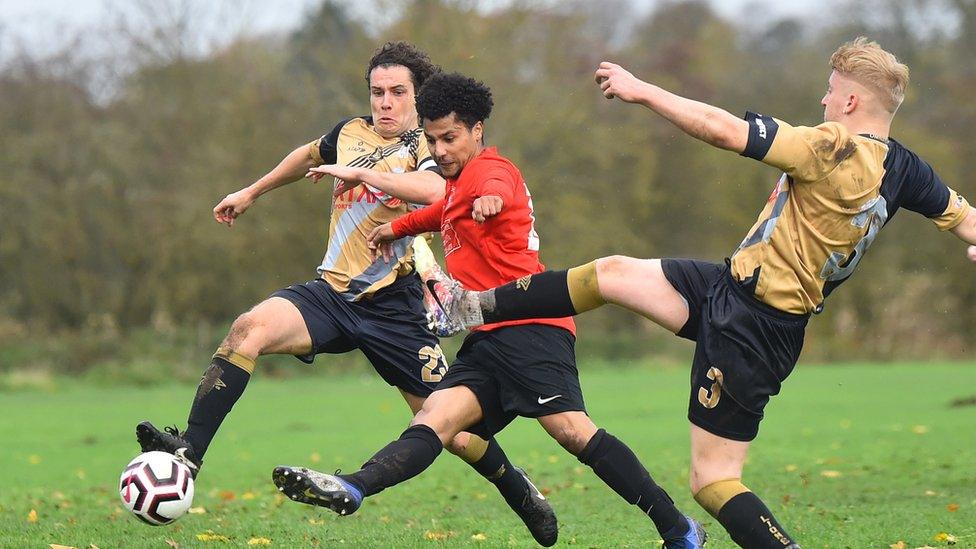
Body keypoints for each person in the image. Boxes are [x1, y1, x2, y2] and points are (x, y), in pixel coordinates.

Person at [430, 37, 976, 548]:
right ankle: (475, 306)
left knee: (712, 480)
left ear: (852, 99)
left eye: (831, 90)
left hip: (755, 327)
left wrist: (643, 91)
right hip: (730, 287)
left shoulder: (829, 146)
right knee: (612, 273)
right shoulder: (906, 169)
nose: (824, 98)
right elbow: (964, 218)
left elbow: (720, 129)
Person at [133, 41, 557, 545]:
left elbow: (438, 196)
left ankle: (518, 488)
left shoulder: (431, 150)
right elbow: (305, 155)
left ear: (418, 98)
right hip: (330, 295)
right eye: (377, 91)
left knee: (456, 432)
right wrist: (251, 191)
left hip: (396, 308)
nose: (385, 102)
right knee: (248, 329)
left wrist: (361, 175)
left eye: (398, 92)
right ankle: (190, 453)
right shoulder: (349, 133)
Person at [272, 71, 707, 549]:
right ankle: (354, 486)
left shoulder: (491, 171)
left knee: (573, 433)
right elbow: (439, 212)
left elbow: (492, 188)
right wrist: (393, 231)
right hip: (487, 336)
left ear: (477, 130)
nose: (440, 151)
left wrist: (491, 201)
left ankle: (677, 527)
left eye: (451, 139)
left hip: (532, 328)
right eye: (434, 140)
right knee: (435, 418)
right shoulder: (457, 183)